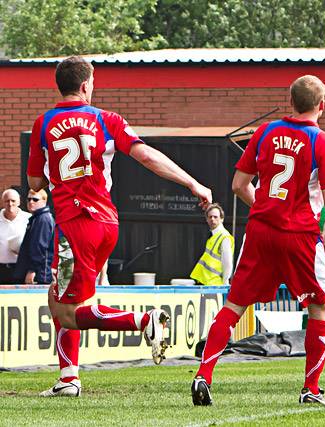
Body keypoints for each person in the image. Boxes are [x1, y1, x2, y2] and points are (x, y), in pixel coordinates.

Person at [27, 55, 212, 397]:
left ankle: (143, 321)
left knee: (65, 311)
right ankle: (69, 378)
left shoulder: (44, 123)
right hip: (107, 222)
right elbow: (147, 156)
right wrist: (193, 183)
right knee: (65, 297)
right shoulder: (107, 120)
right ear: (85, 86)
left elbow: (36, 181)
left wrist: (46, 178)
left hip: (74, 224)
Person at [191, 75, 325, 407]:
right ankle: (311, 388)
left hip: (260, 231)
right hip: (300, 236)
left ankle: (203, 375)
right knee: (319, 306)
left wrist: (265, 207)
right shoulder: (324, 142)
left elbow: (238, 184)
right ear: (322, 105)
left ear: (290, 102)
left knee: (235, 306)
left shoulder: (264, 132)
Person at [14, 189, 55, 284]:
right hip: (37, 272)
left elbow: (39, 247)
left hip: (39, 274)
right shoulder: (36, 218)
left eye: (35, 199)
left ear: (44, 201)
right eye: (28, 199)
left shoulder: (43, 219)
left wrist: (32, 270)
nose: (31, 202)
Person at [190, 203, 234, 286]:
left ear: (222, 219)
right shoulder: (213, 236)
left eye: (215, 217)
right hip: (208, 283)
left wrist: (225, 283)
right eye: (210, 217)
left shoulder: (224, 237)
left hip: (215, 285)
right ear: (206, 219)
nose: (212, 219)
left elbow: (227, 263)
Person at [0, 189, 31, 283]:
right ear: (2, 202)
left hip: (22, 268)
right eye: (7, 201)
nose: (10, 204)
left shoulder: (28, 219)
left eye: (13, 201)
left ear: (19, 202)